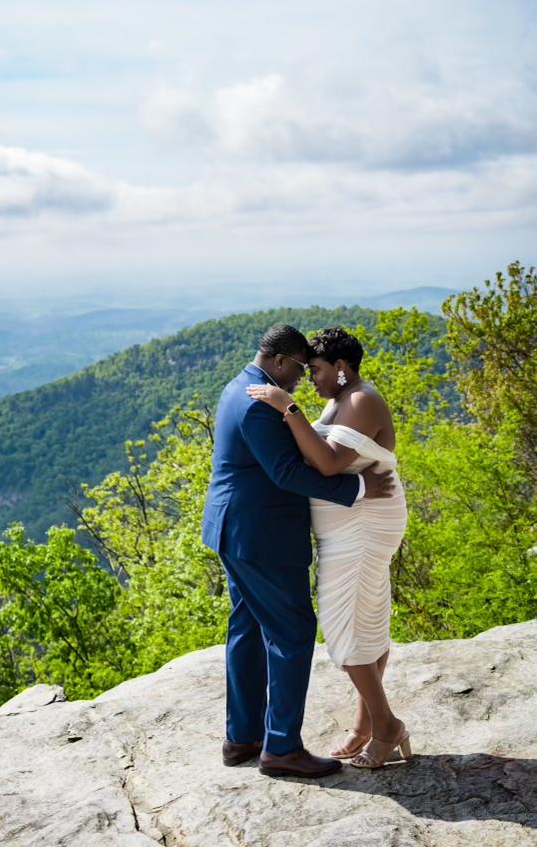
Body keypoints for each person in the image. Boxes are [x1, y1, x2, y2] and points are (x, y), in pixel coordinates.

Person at [202, 323, 395, 779]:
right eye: (299, 369)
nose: (302, 379)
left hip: (238, 530)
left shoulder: (239, 388)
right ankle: (282, 748)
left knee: (248, 629)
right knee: (292, 632)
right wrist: (360, 486)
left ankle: (243, 737)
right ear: (281, 361)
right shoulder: (259, 404)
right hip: (262, 536)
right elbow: (288, 473)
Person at [246, 326, 410, 769]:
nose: (307, 378)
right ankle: (365, 727)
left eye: (315, 369)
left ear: (340, 368)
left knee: (343, 628)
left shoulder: (361, 399)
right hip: (349, 527)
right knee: (367, 620)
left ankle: (388, 727)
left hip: (363, 526)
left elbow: (328, 461)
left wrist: (289, 407)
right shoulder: (341, 399)